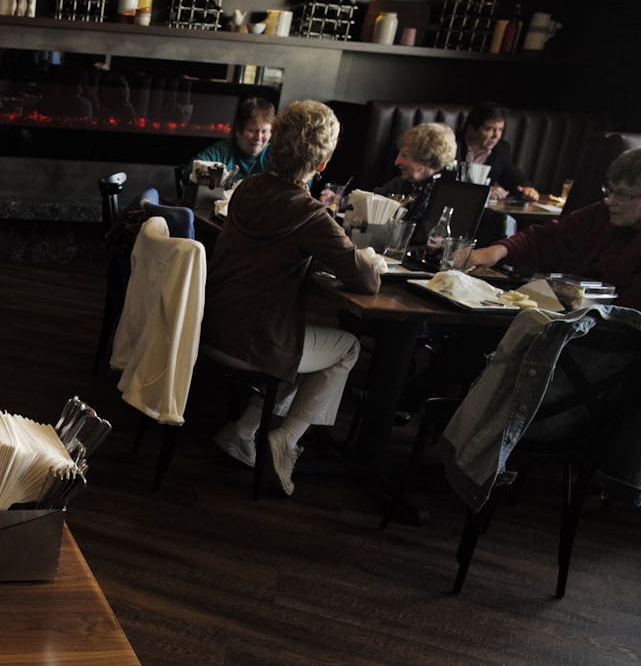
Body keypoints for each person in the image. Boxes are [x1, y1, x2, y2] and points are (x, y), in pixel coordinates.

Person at [202, 100, 384, 495]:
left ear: (275, 144)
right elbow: (366, 282)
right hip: (253, 341)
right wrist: (368, 257)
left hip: (211, 323)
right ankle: (288, 438)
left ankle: (243, 431)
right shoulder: (311, 214)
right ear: (322, 164)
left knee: (297, 337)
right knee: (347, 347)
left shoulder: (248, 188)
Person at [467, 144, 641, 315]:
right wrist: (497, 251)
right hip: (566, 313)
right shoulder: (603, 213)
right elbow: (549, 236)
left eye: (624, 195)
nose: (610, 200)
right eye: (611, 190)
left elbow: (634, 314)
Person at [376, 121, 458, 226]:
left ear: (426, 159)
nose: (397, 162)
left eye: (404, 155)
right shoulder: (398, 185)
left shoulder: (446, 195)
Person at [459, 101, 540, 202]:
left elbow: (513, 177)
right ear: (471, 129)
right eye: (490, 129)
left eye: (500, 129)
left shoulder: (500, 149)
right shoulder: (452, 144)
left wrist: (527, 189)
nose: (496, 136)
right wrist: (485, 191)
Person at [195, 96, 275, 188]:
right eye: (252, 131)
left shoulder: (274, 155)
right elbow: (192, 170)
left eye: (264, 131)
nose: (258, 137)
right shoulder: (222, 152)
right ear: (238, 131)